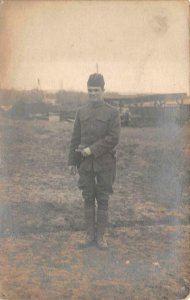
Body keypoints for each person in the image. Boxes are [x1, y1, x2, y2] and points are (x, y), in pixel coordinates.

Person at [68, 73, 121, 249]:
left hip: (105, 164)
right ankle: (89, 236)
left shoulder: (113, 113)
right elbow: (75, 138)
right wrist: (72, 162)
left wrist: (92, 149)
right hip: (85, 165)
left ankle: (101, 237)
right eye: (90, 90)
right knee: (88, 198)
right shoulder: (81, 112)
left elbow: (113, 138)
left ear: (103, 90)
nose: (93, 94)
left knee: (103, 199)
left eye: (96, 90)